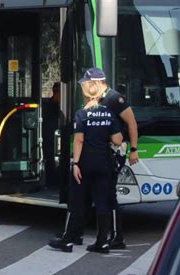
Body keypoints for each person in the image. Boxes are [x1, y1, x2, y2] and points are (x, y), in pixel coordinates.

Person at [55, 68, 139, 250]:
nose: (84, 86)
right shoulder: (104, 110)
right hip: (102, 158)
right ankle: (82, 235)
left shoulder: (114, 99)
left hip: (102, 156)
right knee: (91, 197)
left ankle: (115, 237)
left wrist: (134, 149)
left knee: (105, 197)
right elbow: (115, 135)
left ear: (96, 84)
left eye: (87, 83)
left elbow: (131, 123)